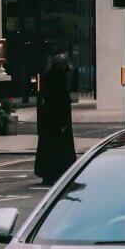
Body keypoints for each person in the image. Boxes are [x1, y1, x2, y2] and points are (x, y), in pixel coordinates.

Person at [34, 54, 76, 186]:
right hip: (60, 123)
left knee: (48, 147)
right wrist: (64, 123)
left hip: (48, 122)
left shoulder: (48, 79)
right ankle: (63, 173)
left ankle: (49, 174)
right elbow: (62, 104)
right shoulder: (61, 83)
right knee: (61, 148)